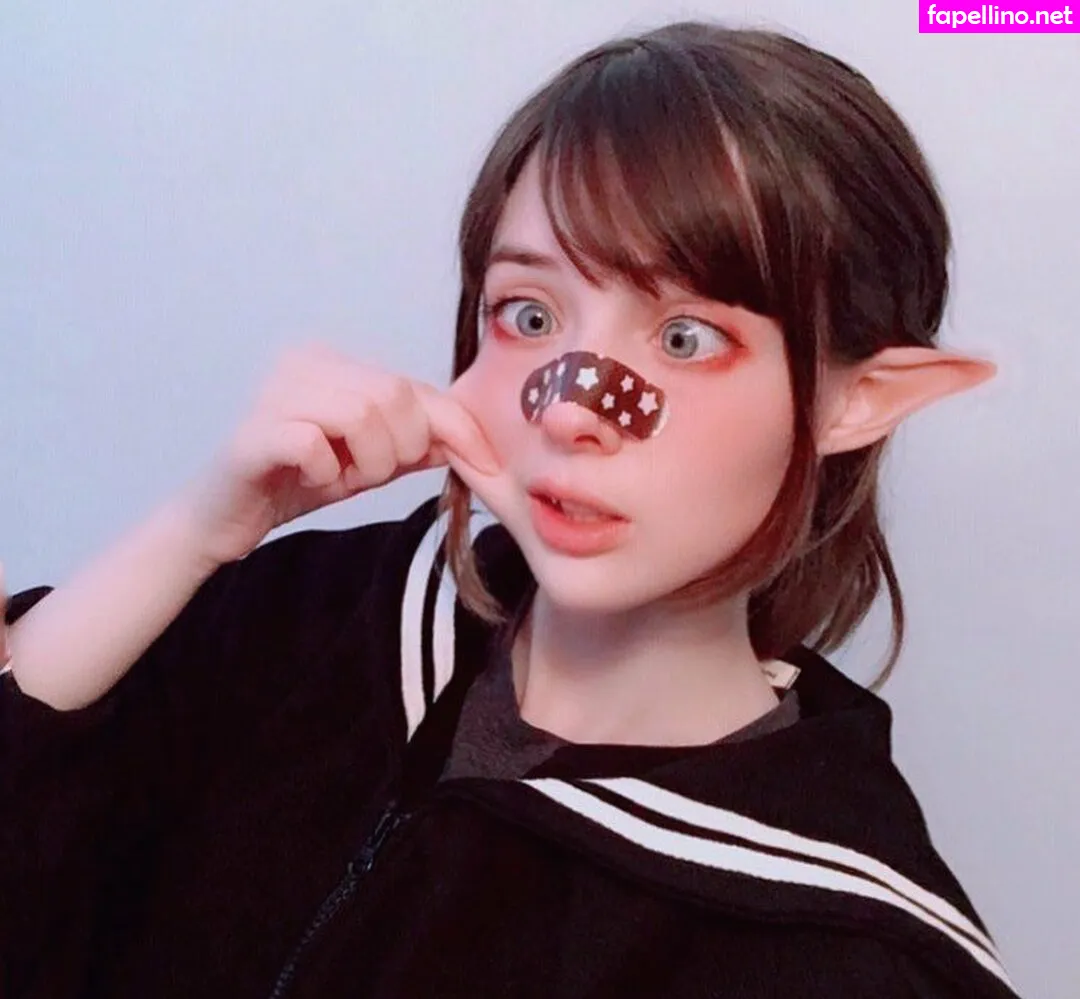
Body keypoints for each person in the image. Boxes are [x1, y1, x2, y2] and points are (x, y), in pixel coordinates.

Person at [0, 20, 1022, 999]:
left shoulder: (851, 959)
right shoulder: (314, 618)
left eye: (685, 338)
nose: (571, 409)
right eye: (529, 315)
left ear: (858, 398)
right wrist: (193, 535)